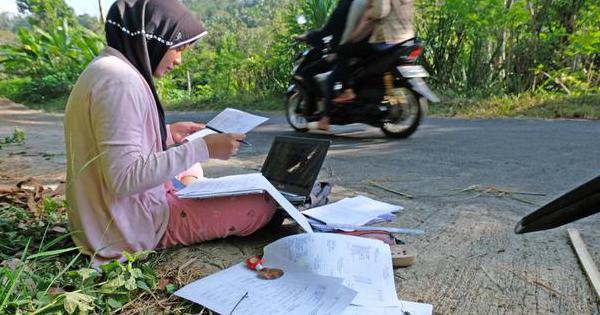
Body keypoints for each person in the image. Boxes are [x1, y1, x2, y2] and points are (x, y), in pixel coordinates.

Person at [64, 0, 276, 266]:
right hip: (124, 230)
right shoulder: (120, 82)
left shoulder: (106, 68)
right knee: (260, 205)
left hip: (100, 217)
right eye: (177, 48)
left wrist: (166, 135)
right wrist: (205, 148)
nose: (178, 60)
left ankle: (187, 191)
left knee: (192, 164)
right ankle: (185, 197)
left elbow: (110, 142)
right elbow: (124, 178)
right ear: (152, 38)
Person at [318, 0, 415, 131]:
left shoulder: (354, 4)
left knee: (343, 50)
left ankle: (348, 90)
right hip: (405, 37)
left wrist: (369, 12)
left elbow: (379, 12)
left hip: (386, 38)